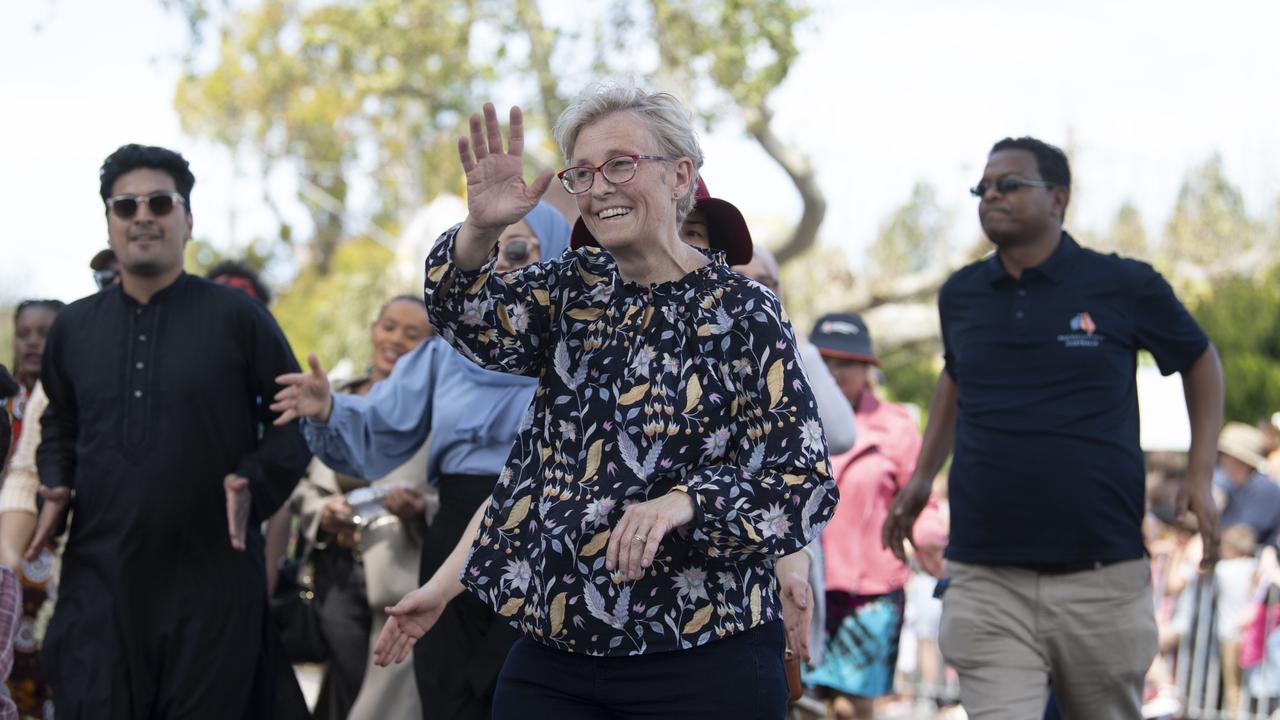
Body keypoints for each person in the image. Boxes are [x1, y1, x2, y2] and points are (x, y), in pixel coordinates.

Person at [373, 86, 837, 719]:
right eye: (583, 173)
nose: (600, 187)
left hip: (703, 653)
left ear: (681, 176)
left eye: (621, 164)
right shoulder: (573, 289)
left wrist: (687, 502)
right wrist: (480, 229)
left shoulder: (745, 312)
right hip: (556, 652)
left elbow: (801, 484)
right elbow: (465, 316)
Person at [882, 136, 1223, 719]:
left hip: (1102, 578)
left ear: (1058, 198)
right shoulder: (961, 295)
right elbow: (955, 378)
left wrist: (1199, 470)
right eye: (982, 187)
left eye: (1009, 184)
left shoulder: (1124, 285)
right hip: (986, 578)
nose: (991, 195)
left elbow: (1200, 359)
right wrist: (921, 478)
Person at [32, 144, 312, 719]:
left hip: (211, 577)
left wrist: (252, 482)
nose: (142, 216)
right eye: (125, 205)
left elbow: (295, 418)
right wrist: (55, 484)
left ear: (188, 220)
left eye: (160, 203)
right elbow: (58, 421)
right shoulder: (73, 328)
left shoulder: (239, 318)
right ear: (108, 221)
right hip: (101, 576)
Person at [274, 202, 571, 719]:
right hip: (454, 531)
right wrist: (328, 409)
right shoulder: (444, 353)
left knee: (523, 692)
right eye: (492, 250)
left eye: (519, 248)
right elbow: (380, 422)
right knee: (447, 694)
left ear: (561, 256)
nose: (502, 263)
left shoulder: (580, 348)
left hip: (547, 532)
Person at [283, 294, 433, 720]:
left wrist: (418, 508)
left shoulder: (434, 411)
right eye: (389, 326)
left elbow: (448, 489)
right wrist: (322, 512)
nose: (396, 340)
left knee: (387, 695)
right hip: (337, 575)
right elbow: (305, 488)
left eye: (412, 334)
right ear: (373, 329)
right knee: (346, 688)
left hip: (400, 576)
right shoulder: (334, 400)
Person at [803, 312, 944, 719]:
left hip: (871, 594)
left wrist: (930, 539)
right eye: (824, 360)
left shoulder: (895, 426)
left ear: (868, 368)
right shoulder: (788, 420)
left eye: (845, 362)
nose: (833, 371)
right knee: (801, 702)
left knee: (853, 707)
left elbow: (921, 503)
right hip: (806, 584)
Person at [731, 244, 857, 666]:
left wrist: (791, 337)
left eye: (766, 284)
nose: (756, 294)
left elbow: (841, 432)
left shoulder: (790, 349)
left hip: (786, 570)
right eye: (743, 280)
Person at [1, 299, 63, 719]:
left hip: (50, 557)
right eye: (25, 333)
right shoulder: (5, 401)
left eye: (45, 333)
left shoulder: (65, 401)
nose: (33, 342)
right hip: (6, 550)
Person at [1215, 421, 1280, 546]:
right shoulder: (1235, 488)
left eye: (1224, 455)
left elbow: (1243, 535)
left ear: (1238, 460)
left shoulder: (1264, 489)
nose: (1221, 460)